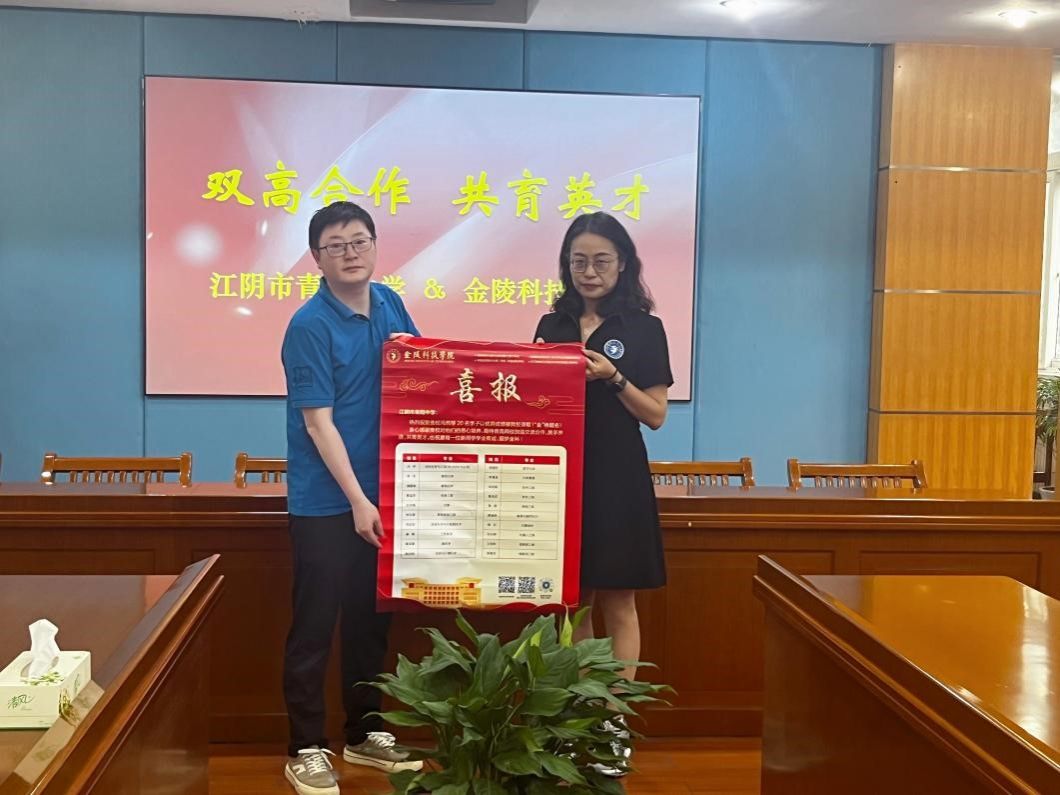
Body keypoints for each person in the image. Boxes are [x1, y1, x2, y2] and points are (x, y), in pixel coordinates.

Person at [281, 201, 422, 795]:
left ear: (375, 245)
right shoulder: (309, 325)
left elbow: (424, 373)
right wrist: (359, 500)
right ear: (317, 258)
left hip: (385, 492)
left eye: (359, 241)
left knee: (370, 622)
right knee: (315, 625)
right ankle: (305, 748)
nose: (350, 253)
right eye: (335, 245)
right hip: (327, 502)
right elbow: (319, 424)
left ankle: (364, 733)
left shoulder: (389, 302)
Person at [533, 211, 672, 776]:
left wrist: (613, 378)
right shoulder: (552, 324)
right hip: (559, 473)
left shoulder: (643, 328)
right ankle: (576, 716)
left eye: (601, 261)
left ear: (623, 264)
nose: (589, 272)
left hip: (616, 473)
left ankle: (613, 722)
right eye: (578, 261)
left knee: (618, 599)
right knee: (571, 602)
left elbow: (656, 414)